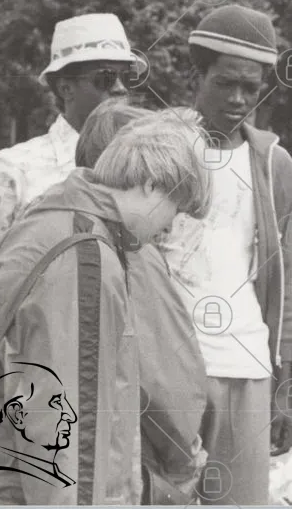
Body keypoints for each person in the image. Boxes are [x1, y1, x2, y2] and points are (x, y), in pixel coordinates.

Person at [0, 111, 211, 505]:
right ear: (151, 182)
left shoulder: (49, 223)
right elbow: (69, 442)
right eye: (177, 206)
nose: (171, 226)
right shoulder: (85, 257)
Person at [157, 4, 292, 505]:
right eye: (225, 84)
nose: (238, 99)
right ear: (196, 77)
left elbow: (285, 283)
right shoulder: (161, 151)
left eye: (250, 87)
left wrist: (284, 385)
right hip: (169, 364)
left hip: (247, 362)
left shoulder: (274, 163)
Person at [0, 13, 142, 343]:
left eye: (127, 77)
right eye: (106, 77)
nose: (120, 88)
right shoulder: (13, 169)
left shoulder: (138, 168)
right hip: (37, 356)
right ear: (65, 87)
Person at [74, 100, 210, 504]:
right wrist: (186, 459)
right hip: (136, 459)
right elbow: (166, 382)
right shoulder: (132, 252)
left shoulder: (66, 225)